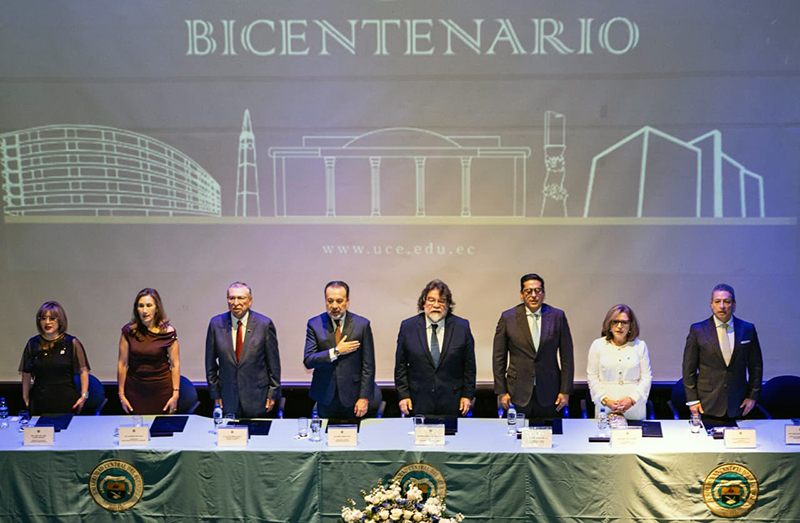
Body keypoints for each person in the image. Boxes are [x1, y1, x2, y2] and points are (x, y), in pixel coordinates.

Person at [493, 273, 574, 418]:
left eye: (538, 291)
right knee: (517, 437)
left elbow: (567, 356)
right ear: (521, 294)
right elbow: (498, 357)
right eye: (528, 291)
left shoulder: (557, 316)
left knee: (550, 436)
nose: (533, 295)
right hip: (516, 392)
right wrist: (501, 391)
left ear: (544, 293)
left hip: (551, 391)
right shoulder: (508, 317)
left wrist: (565, 390)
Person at [394, 279, 476, 416]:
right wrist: (403, 395)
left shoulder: (461, 327)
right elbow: (400, 366)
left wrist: (467, 395)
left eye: (441, 301)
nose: (436, 305)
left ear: (448, 304)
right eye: (431, 300)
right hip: (418, 400)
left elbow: (469, 366)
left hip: (453, 401)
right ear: (423, 303)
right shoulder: (408, 327)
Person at [682, 283, 763, 421]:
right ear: (711, 304)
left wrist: (752, 396)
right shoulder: (698, 330)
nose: (722, 306)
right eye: (717, 301)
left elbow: (756, 366)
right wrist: (692, 400)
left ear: (734, 304)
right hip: (707, 402)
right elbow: (688, 368)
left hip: (738, 403)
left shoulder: (748, 329)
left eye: (726, 301)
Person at [206, 282, 281, 418]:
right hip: (228, 398)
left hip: (258, 398)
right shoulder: (215, 325)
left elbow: (274, 365)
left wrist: (273, 393)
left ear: (250, 300)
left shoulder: (264, 325)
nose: (236, 303)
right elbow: (210, 365)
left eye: (241, 298)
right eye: (231, 298)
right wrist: (215, 394)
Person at [303, 281, 376, 418]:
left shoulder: (362, 325)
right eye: (330, 301)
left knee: (351, 437)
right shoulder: (314, 324)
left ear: (347, 302)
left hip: (353, 396)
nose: (334, 306)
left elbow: (368, 365)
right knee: (325, 437)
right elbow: (309, 360)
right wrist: (336, 351)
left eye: (339, 301)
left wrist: (364, 397)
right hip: (325, 395)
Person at [19, 301, 91, 415]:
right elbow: (26, 372)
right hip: (40, 401)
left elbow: (83, 370)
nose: (47, 322)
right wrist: (25, 396)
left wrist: (84, 396)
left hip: (67, 401)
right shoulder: (32, 343)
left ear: (60, 320)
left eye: (52, 318)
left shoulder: (72, 343)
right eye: (43, 318)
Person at [118, 288, 180, 415]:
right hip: (135, 390)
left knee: (161, 431)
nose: (145, 310)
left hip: (161, 390)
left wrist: (175, 394)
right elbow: (122, 364)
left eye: (149, 305)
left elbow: (175, 365)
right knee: (136, 432)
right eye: (141, 306)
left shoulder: (168, 333)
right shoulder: (128, 332)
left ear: (157, 308)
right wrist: (121, 394)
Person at [586, 304, 652, 420]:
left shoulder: (640, 346)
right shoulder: (598, 345)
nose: (619, 326)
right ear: (609, 325)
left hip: (634, 407)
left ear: (631, 325)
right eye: (615, 322)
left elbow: (646, 377)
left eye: (624, 322)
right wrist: (605, 400)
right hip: (605, 407)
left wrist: (632, 400)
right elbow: (592, 376)